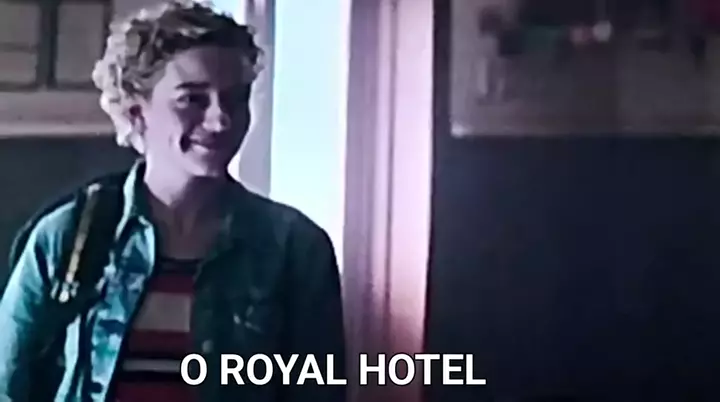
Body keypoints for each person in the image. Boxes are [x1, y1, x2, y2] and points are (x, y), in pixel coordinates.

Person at [0, 0, 346, 401]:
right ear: (137, 111)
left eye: (236, 99)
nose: (220, 120)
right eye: (192, 99)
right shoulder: (68, 237)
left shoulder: (294, 248)